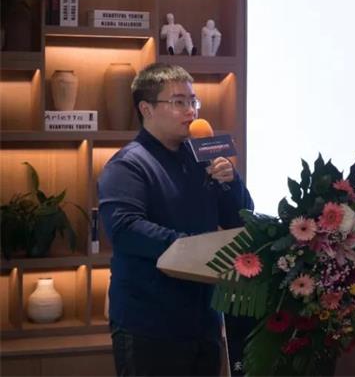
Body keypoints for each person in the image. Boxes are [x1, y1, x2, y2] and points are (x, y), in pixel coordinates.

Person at [98, 63, 253, 376]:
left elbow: (240, 218)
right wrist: (191, 247)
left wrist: (230, 179)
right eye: (179, 102)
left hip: (204, 319)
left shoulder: (202, 156)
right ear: (147, 109)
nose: (191, 111)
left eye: (193, 101)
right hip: (150, 323)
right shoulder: (127, 165)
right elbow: (125, 229)